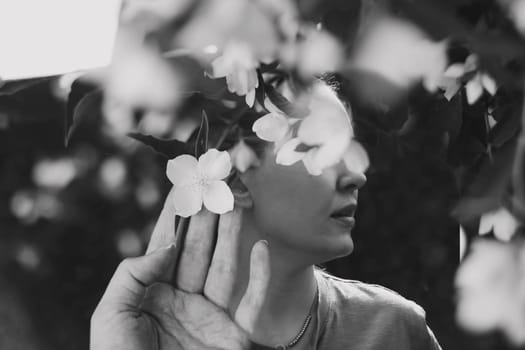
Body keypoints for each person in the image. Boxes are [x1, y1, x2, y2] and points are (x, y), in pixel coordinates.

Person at [90, 85, 442, 350]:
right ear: (237, 176)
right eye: (318, 147)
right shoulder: (159, 335)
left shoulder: (394, 330)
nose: (357, 176)